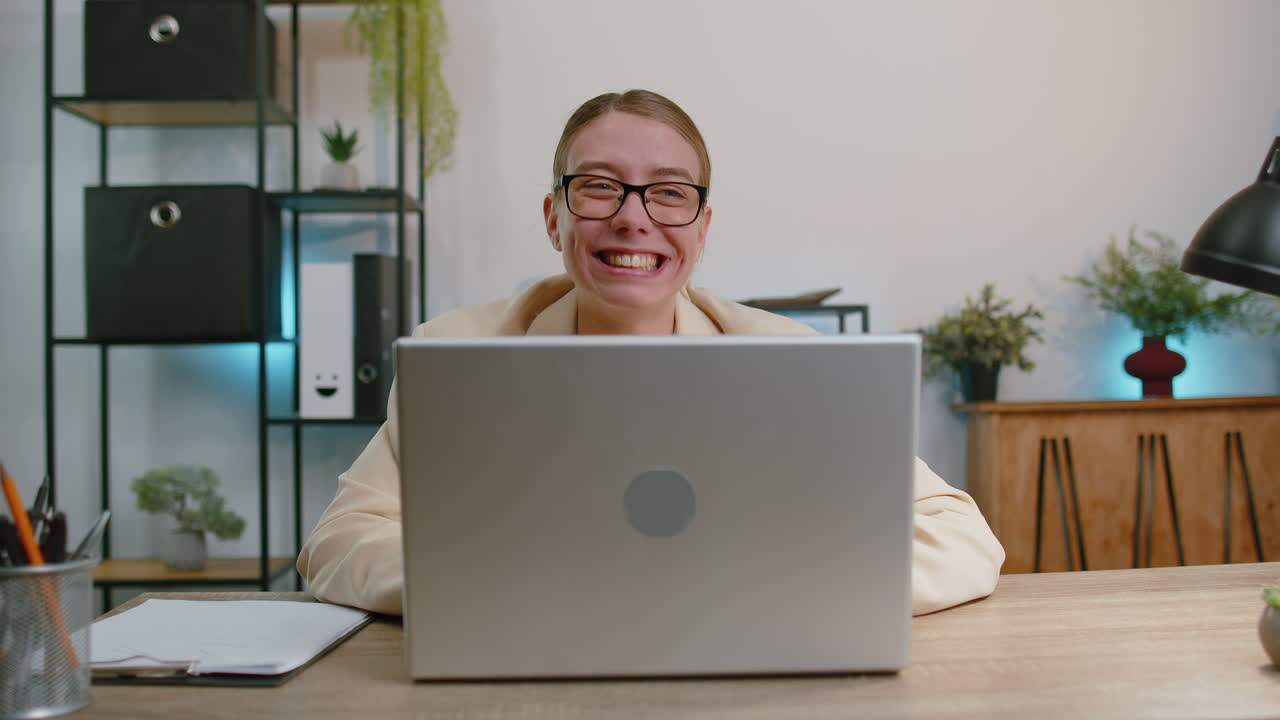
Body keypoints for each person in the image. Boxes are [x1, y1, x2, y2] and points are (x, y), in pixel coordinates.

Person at [297, 89, 1005, 617]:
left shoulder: (787, 360)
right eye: (600, 186)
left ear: (701, 227)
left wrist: (775, 590)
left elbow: (962, 536)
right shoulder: (453, 354)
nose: (633, 216)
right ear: (556, 217)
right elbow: (337, 543)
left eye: (668, 193)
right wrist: (501, 587)